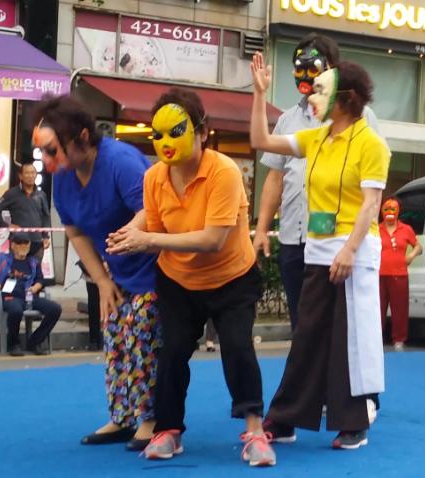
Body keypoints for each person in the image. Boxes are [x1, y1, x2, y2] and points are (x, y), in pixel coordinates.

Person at [105, 88, 276, 467]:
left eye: (176, 131)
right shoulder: (154, 177)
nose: (166, 141)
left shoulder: (224, 172)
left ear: (201, 132)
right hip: (178, 279)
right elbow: (152, 223)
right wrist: (130, 233)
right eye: (158, 134)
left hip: (232, 277)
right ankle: (168, 430)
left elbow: (213, 240)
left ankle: (254, 430)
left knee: (237, 346)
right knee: (173, 351)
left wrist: (147, 240)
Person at [250, 52, 389, 450]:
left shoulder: (370, 144)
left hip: (354, 253)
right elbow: (261, 141)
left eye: (321, 91)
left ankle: (354, 421)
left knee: (350, 340)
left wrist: (349, 250)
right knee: (307, 335)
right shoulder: (316, 138)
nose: (311, 96)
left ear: (346, 98)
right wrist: (259, 94)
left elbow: (371, 204)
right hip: (318, 250)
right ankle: (286, 418)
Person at [31, 95, 160, 450]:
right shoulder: (64, 177)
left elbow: (152, 208)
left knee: (142, 336)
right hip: (116, 269)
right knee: (115, 335)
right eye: (42, 152)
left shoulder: (121, 162)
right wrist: (101, 280)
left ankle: (152, 418)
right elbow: (74, 231)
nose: (46, 161)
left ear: (82, 137)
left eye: (52, 150)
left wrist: (129, 235)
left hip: (153, 265)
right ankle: (123, 416)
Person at [253, 33, 379, 332]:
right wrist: (261, 230)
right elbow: (273, 171)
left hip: (339, 237)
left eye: (313, 67)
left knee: (338, 325)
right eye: (299, 68)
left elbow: (372, 195)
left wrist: (353, 246)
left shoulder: (361, 118)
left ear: (332, 68)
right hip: (295, 236)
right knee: (303, 324)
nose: (305, 76)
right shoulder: (292, 121)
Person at [0, 232, 60, 356]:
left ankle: (35, 342)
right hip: (8, 297)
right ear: (13, 245)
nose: (23, 246)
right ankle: (13, 344)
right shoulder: (0, 258)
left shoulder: (33, 262)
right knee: (16, 309)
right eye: (19, 243)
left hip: (29, 297)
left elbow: (41, 280)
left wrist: (36, 286)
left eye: (26, 244)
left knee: (55, 309)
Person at [378, 198, 421, 351]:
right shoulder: (375, 229)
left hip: (399, 274)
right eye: (386, 209)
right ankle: (376, 338)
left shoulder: (406, 229)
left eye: (393, 209)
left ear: (398, 211)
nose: (390, 212)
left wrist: (411, 256)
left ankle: (399, 340)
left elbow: (418, 246)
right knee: (378, 308)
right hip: (378, 274)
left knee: (400, 309)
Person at [0, 162, 52, 260]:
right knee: (17, 268)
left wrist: (46, 236)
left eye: (33, 173)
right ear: (20, 176)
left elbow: (45, 217)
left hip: (37, 242)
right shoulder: (11, 193)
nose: (30, 176)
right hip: (18, 242)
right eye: (27, 173)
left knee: (36, 269)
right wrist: (6, 225)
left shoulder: (41, 195)